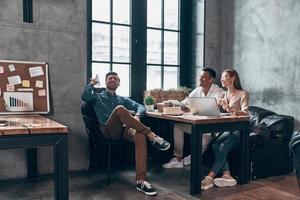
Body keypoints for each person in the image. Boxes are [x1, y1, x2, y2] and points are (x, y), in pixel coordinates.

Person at [81, 71, 171, 196]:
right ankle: (152, 136)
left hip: (123, 130)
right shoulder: (97, 96)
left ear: (119, 83)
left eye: (115, 79)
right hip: (106, 131)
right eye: (109, 78)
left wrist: (138, 115)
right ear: (106, 82)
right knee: (120, 109)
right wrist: (92, 82)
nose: (112, 80)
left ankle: (141, 181)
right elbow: (85, 96)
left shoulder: (122, 99)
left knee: (140, 135)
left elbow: (140, 106)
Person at [162, 67, 224, 168]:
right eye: (199, 77)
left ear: (211, 79)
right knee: (178, 126)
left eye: (203, 77)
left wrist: (192, 109)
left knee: (203, 141)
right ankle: (178, 158)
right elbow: (185, 102)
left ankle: (189, 160)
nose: (199, 79)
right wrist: (180, 105)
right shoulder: (197, 90)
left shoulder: (218, 91)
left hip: (211, 127)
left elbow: (216, 105)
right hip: (197, 124)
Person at [201, 68, 249, 190]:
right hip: (227, 129)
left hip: (239, 130)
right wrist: (217, 106)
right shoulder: (224, 94)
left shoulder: (242, 94)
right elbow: (219, 112)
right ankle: (227, 175)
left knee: (222, 146)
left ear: (232, 78)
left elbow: (245, 113)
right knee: (215, 145)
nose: (221, 79)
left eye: (225, 77)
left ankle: (210, 177)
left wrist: (229, 109)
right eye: (221, 77)